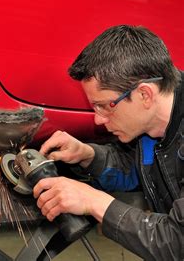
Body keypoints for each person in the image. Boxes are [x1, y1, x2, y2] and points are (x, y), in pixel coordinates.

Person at [34, 25, 183, 260]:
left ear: (145, 94)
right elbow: (137, 169)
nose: (98, 119)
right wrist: (88, 155)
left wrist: (94, 201)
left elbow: (177, 242)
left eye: (104, 105)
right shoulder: (151, 128)